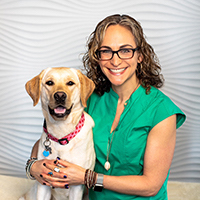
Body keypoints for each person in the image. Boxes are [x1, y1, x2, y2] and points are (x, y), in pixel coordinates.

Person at [26, 14, 186, 199]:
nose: (115, 61)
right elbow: (53, 138)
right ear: (98, 57)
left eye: (125, 50)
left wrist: (88, 177)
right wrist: (33, 165)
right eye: (106, 51)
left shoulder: (161, 111)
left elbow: (151, 186)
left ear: (140, 55)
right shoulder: (90, 99)